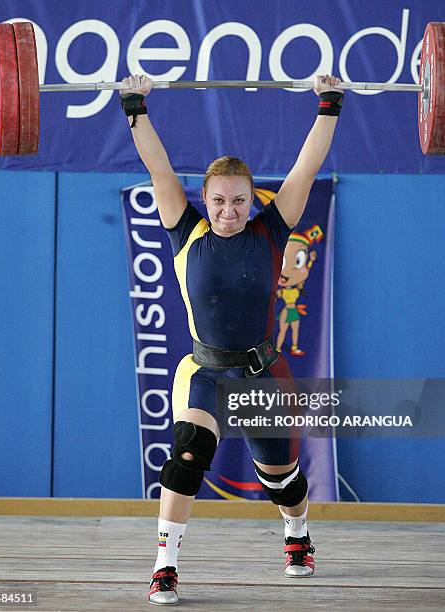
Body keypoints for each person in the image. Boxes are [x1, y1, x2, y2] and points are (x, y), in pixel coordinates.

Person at [119, 73, 343, 606]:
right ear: (205, 198)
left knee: (283, 478)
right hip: (205, 371)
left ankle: (296, 535)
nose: (228, 211)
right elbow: (157, 165)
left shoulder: (271, 230)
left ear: (250, 198)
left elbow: (306, 167)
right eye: (219, 201)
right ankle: (165, 568)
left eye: (239, 201)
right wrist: (135, 105)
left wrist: (329, 104)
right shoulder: (185, 229)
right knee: (189, 454)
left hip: (262, 372)